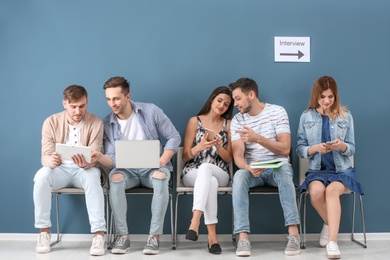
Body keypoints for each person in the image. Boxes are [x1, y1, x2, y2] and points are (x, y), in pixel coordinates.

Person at [92, 76, 180, 255]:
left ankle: (154, 237)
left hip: (153, 168)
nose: (112, 103)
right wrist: (100, 157)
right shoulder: (107, 123)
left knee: (162, 176)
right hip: (126, 171)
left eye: (116, 98)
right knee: (114, 177)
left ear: (127, 96)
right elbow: (111, 158)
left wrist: (163, 160)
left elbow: (174, 136)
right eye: (108, 99)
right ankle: (123, 236)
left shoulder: (151, 111)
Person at [229, 78, 301, 257]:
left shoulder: (277, 112)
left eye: (238, 98)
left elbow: (285, 149)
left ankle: (294, 235)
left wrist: (257, 138)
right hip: (253, 170)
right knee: (238, 177)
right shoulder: (237, 120)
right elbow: (237, 154)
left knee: (284, 173)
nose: (235, 103)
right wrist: (246, 167)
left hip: (277, 167)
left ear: (251, 95)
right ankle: (243, 237)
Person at [33, 85, 106, 256]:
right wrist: (50, 161)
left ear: (87, 103)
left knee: (92, 178)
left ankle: (98, 235)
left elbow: (95, 153)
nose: (78, 111)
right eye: (73, 106)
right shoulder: (50, 122)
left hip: (84, 170)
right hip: (59, 170)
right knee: (41, 176)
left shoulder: (96, 122)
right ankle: (44, 232)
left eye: (82, 106)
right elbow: (45, 155)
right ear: (64, 103)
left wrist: (87, 163)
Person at [296, 76, 364, 259]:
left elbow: (351, 148)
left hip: (341, 170)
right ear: (316, 96)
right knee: (316, 193)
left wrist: (340, 145)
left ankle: (332, 243)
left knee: (331, 192)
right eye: (322, 97)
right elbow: (300, 149)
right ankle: (328, 224)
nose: (326, 101)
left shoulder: (345, 116)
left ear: (336, 97)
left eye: (330, 97)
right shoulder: (306, 116)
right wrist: (315, 148)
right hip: (317, 170)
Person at [182, 86, 234, 254]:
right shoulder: (194, 121)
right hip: (192, 172)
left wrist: (218, 146)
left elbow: (229, 159)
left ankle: (195, 221)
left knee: (208, 170)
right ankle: (212, 238)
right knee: (208, 178)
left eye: (226, 104)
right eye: (219, 101)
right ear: (212, 99)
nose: (221, 106)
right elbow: (184, 156)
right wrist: (200, 147)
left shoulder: (228, 125)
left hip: (220, 172)